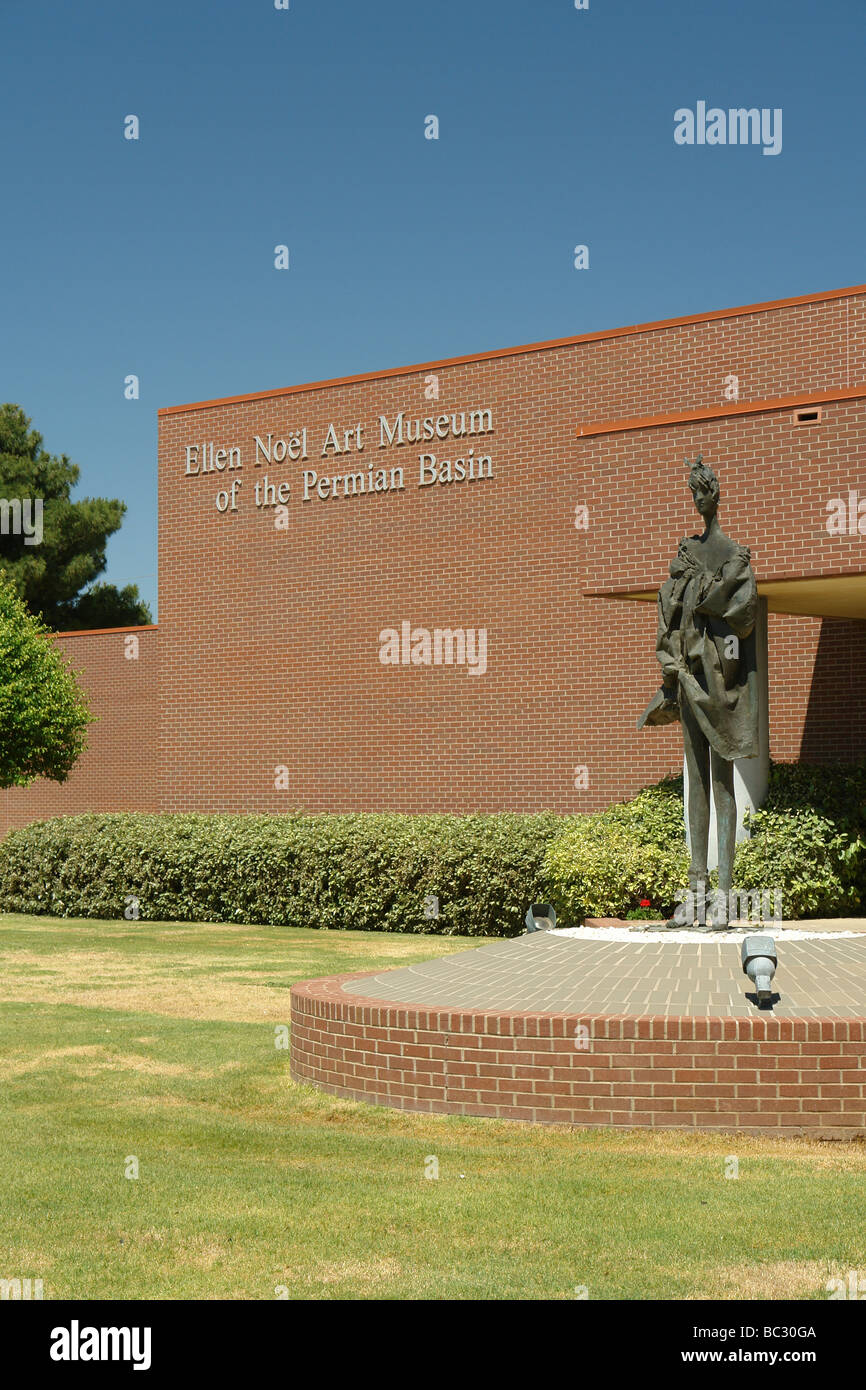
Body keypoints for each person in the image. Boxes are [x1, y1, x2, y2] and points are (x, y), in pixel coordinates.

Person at [639, 456, 759, 930]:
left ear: (716, 495)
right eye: (693, 493)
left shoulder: (733, 557)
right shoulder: (686, 556)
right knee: (697, 783)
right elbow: (669, 617)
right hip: (689, 683)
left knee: (723, 780)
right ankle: (696, 892)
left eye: (703, 492)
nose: (698, 500)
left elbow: (741, 619)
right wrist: (671, 665)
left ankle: (725, 897)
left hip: (721, 686)